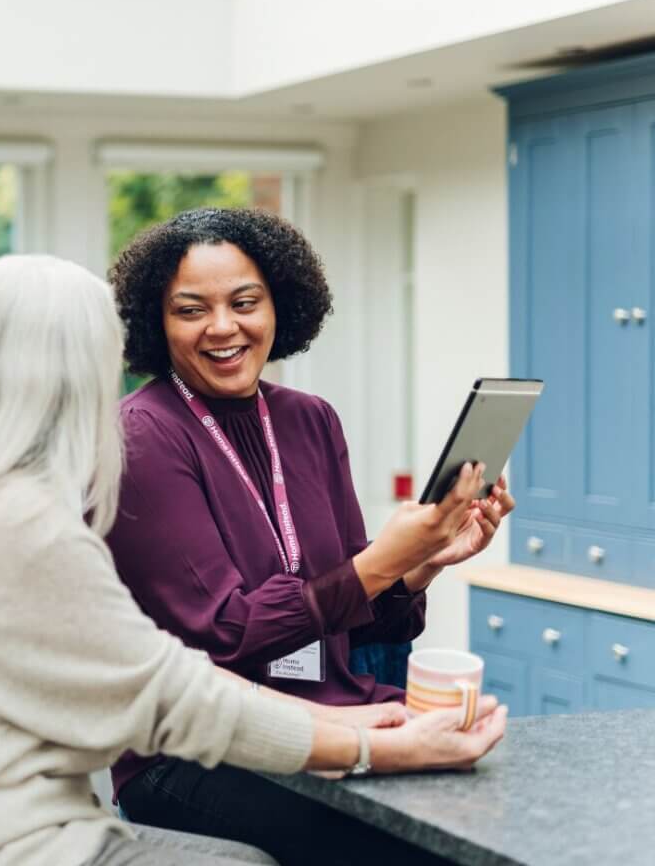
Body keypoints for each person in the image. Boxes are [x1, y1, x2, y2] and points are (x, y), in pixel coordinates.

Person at [0, 253, 507, 866]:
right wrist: (370, 746)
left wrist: (347, 704)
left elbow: (159, 672)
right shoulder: (22, 520)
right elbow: (175, 693)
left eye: (244, 302)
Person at [106, 208, 515, 864]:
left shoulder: (310, 421)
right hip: (198, 755)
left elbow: (369, 625)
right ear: (155, 322)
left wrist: (421, 565)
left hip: (339, 714)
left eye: (245, 302)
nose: (222, 327)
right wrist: (382, 560)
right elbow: (229, 633)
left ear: (281, 308)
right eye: (190, 310)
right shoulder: (141, 436)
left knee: (497, 819)